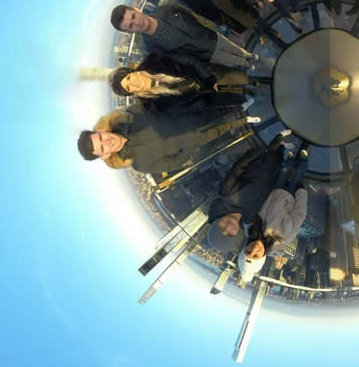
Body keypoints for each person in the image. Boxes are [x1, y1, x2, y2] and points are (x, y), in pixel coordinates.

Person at [76, 103, 256, 178]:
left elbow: (160, 105)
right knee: (225, 128)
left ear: (100, 131)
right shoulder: (140, 164)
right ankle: (244, 120)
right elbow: (174, 163)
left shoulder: (129, 115)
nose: (106, 141)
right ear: (104, 155)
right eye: (102, 147)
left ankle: (243, 105)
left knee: (222, 109)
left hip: (193, 112)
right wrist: (192, 143)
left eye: (101, 137)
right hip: (199, 137)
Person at [110, 4, 265, 70]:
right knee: (233, 61)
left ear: (137, 9)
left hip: (211, 37)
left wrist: (211, 28)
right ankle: (248, 65)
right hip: (207, 55)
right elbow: (180, 59)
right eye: (130, 26)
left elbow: (194, 16)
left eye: (133, 17)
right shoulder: (151, 48)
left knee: (236, 49)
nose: (136, 23)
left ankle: (250, 55)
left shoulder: (167, 9)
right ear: (130, 33)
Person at [206, 133, 291, 253]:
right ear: (236, 235)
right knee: (279, 154)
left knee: (277, 142)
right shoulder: (249, 218)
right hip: (273, 172)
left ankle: (281, 136)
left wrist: (258, 152)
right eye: (230, 234)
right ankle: (282, 146)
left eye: (221, 228)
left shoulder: (226, 194)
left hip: (262, 160)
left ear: (215, 222)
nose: (228, 227)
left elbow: (238, 168)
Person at [108, 50, 262, 115]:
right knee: (235, 94)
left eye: (128, 78)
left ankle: (259, 82)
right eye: (128, 88)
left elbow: (189, 61)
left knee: (242, 78)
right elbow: (184, 110)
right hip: (209, 97)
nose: (133, 84)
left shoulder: (156, 61)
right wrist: (205, 102)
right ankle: (249, 93)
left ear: (132, 72)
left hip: (210, 75)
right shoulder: (154, 105)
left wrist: (209, 79)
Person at [240, 144, 309, 280]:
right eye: (255, 256)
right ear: (262, 258)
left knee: (285, 169)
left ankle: (291, 159)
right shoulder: (281, 240)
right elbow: (298, 215)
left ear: (244, 249)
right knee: (298, 175)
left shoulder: (249, 226)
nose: (254, 249)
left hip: (275, 189)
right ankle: (304, 158)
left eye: (248, 251)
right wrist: (301, 193)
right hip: (291, 195)